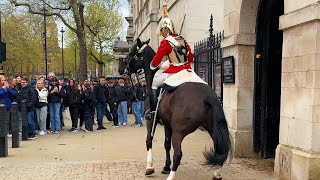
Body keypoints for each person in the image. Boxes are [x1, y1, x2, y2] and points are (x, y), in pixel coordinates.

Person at [146, 2, 194, 120]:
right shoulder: (182, 39)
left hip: (175, 71)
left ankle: (153, 112)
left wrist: (152, 66)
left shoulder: (166, 42)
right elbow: (191, 58)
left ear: (166, 29)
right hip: (187, 70)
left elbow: (157, 60)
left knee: (154, 83)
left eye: (162, 31)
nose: (162, 33)